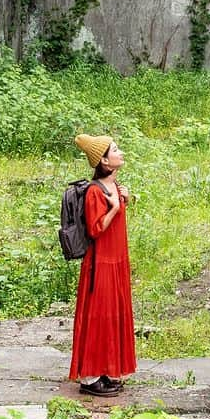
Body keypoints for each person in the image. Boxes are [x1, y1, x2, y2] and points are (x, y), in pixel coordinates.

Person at [68, 132, 137, 395]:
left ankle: (107, 369)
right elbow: (96, 230)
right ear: (105, 162)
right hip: (100, 264)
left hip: (116, 261)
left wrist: (123, 200)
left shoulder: (114, 188)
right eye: (116, 150)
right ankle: (89, 377)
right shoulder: (95, 192)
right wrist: (114, 209)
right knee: (98, 317)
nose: (121, 153)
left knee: (112, 316)